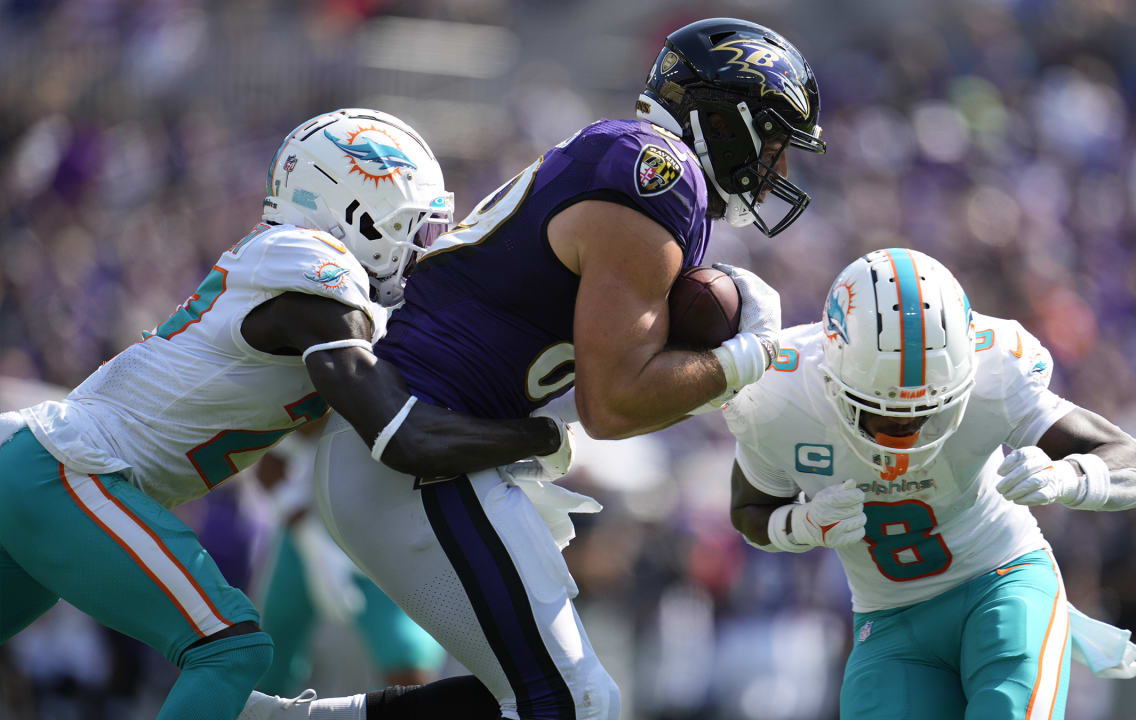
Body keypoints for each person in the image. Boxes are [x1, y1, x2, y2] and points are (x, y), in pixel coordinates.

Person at [241, 16, 827, 720]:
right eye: (772, 138)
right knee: (571, 704)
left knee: (560, 700)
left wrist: (724, 370)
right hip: (417, 447)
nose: (780, 167)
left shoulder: (634, 164)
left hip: (422, 447)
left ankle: (276, 719)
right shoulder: (659, 178)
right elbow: (613, 406)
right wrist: (746, 358)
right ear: (721, 118)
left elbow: (616, 394)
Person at [0, 108, 571, 720]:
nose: (422, 252)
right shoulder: (313, 269)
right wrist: (537, 436)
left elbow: (296, 435)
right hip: (65, 471)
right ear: (360, 212)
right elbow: (401, 435)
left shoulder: (289, 277)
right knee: (230, 647)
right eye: (418, 229)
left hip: (44, 471)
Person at [724, 248, 1136, 720]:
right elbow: (750, 512)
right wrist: (804, 524)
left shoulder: (995, 368)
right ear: (831, 377)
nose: (906, 432)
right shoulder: (777, 392)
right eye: (882, 411)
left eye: (928, 409)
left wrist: (1065, 476)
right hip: (888, 621)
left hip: (1002, 583)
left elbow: (1133, 466)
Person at [252, 419, 447, 695]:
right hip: (313, 537)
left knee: (410, 672)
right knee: (264, 662)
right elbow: (270, 467)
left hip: (387, 547)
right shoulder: (338, 397)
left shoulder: (431, 396)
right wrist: (310, 541)